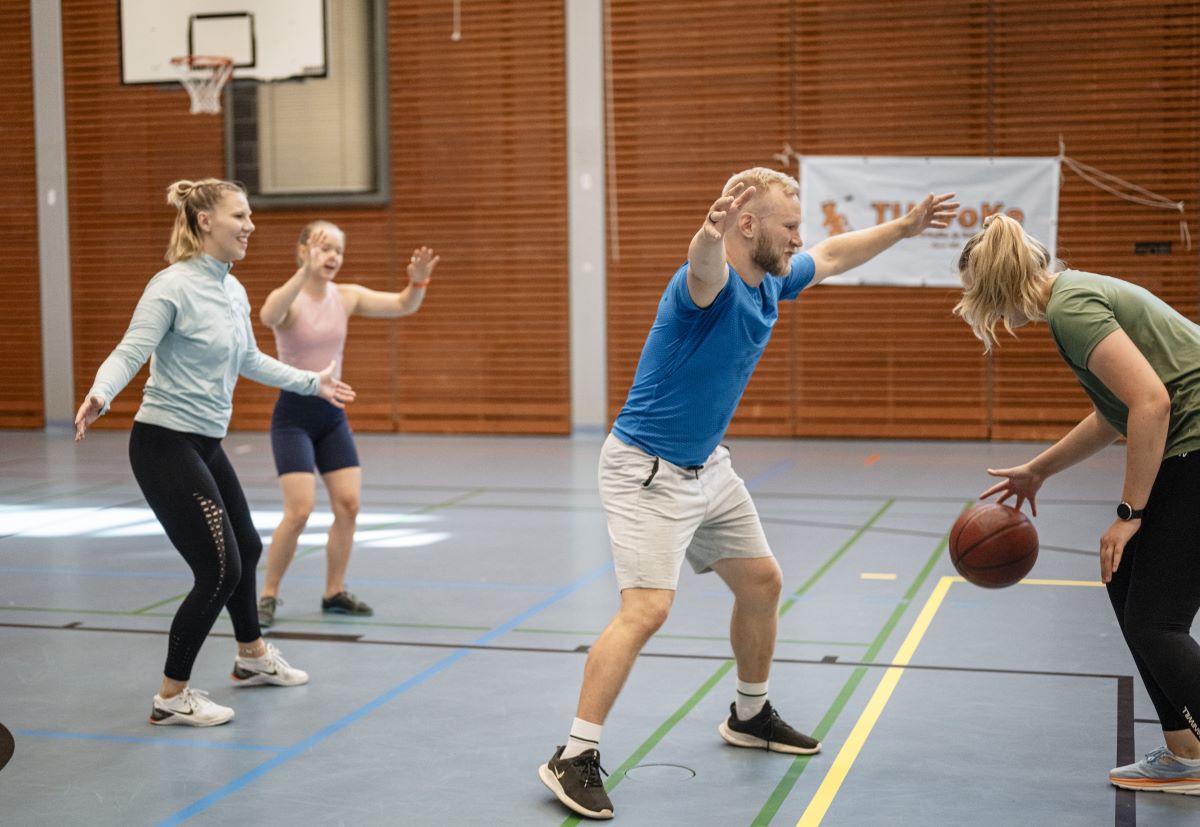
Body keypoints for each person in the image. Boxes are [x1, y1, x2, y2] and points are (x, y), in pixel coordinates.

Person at [538, 167, 958, 819]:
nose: (799, 238)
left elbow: (837, 253)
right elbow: (702, 266)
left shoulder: (775, 281)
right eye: (789, 227)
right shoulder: (704, 288)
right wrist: (705, 235)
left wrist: (904, 228)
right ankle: (574, 753)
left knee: (761, 581)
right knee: (646, 609)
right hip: (646, 471)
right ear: (746, 224)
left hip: (706, 465)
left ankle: (750, 713)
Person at [74, 179, 356, 727]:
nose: (250, 225)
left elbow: (249, 358)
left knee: (246, 547)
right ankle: (171, 695)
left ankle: (251, 656)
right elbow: (132, 348)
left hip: (204, 442)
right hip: (163, 441)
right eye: (240, 216)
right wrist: (102, 391)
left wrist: (310, 382)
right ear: (206, 222)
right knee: (219, 568)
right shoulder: (171, 286)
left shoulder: (233, 289)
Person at [954, 213, 1200, 795]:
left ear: (994, 286)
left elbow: (1152, 404)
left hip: (1194, 444)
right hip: (1186, 446)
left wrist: (1129, 515)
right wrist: (1039, 469)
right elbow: (1115, 412)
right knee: (1127, 585)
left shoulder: (1073, 308)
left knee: (1156, 622)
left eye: (975, 293)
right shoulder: (1072, 299)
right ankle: (1185, 749)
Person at [255, 222, 440, 627]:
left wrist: (418, 282)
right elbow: (269, 314)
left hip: (331, 415)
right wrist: (304, 272)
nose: (333, 256)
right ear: (302, 251)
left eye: (338, 249)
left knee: (349, 505)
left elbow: (402, 305)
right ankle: (267, 594)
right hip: (293, 417)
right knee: (300, 511)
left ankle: (333, 591)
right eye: (323, 248)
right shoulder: (293, 300)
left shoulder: (347, 296)